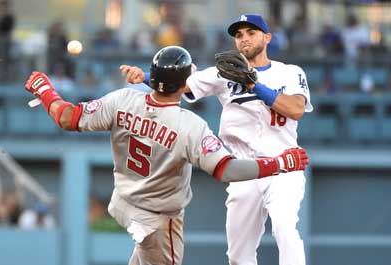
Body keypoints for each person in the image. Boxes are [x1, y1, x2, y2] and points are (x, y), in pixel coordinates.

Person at [24, 46, 309, 265]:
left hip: (123, 204)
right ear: (184, 85)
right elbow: (227, 171)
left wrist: (46, 91)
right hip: (159, 222)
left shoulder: (123, 99)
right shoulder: (190, 126)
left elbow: (67, 118)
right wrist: (279, 163)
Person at [122, 14, 313, 265]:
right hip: (245, 168)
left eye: (251, 33)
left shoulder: (289, 72)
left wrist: (254, 86)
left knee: (284, 226)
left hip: (284, 165)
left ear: (267, 37)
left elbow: (296, 109)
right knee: (238, 255)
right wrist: (145, 77)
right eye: (239, 35)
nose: (244, 38)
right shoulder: (224, 73)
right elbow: (182, 85)